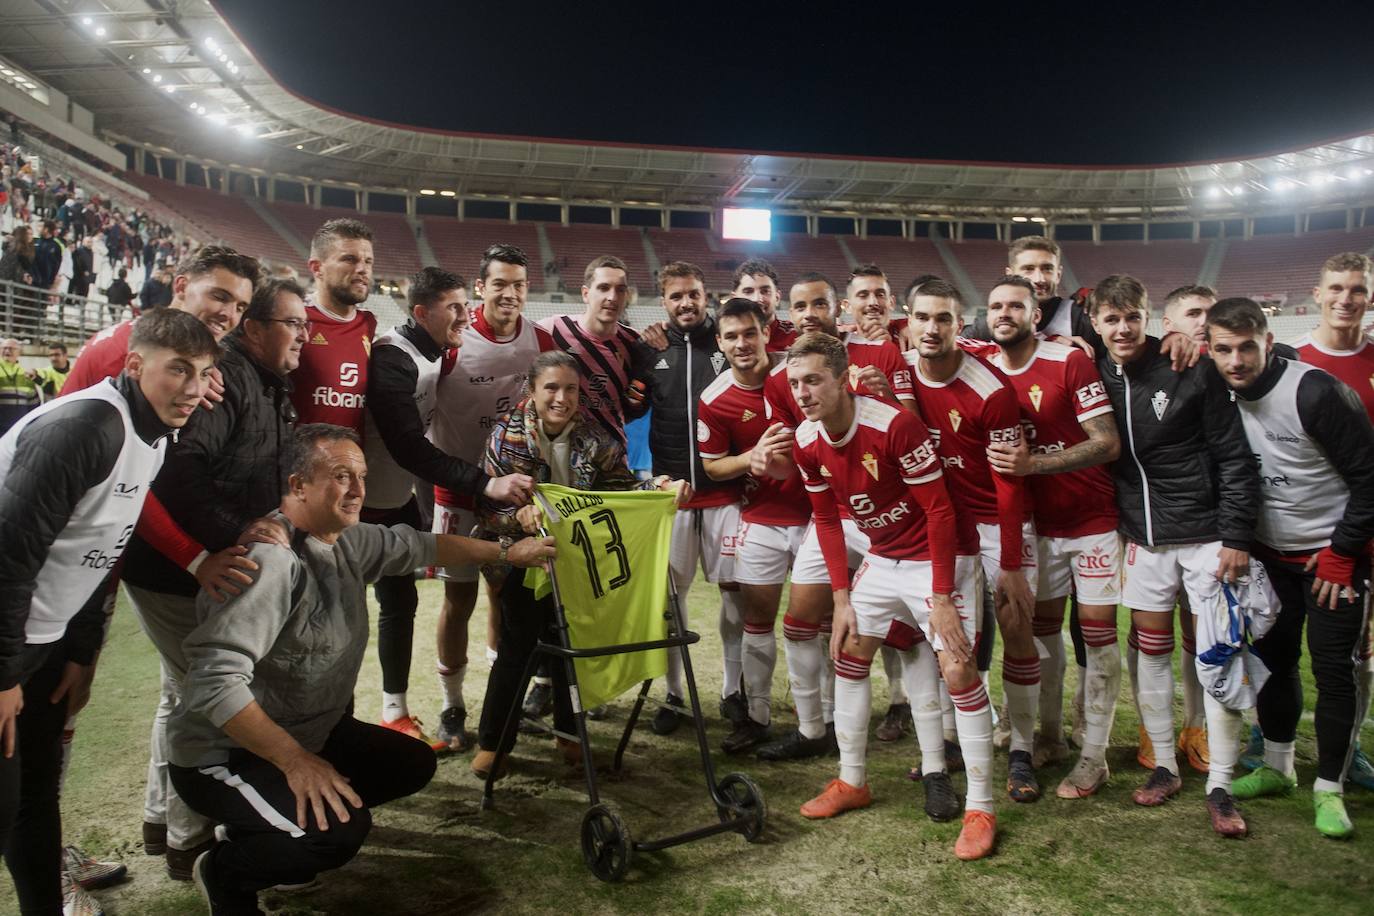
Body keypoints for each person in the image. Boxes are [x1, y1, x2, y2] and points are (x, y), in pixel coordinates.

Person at [166, 424, 555, 913]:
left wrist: (506, 552)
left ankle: (267, 823)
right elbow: (213, 680)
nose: (357, 489)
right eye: (340, 475)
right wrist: (295, 762)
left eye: (361, 476)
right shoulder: (272, 562)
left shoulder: (348, 539)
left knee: (410, 763)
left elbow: (425, 546)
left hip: (310, 733)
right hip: (223, 755)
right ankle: (225, 870)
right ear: (297, 485)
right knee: (334, 837)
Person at [0, 309, 218, 916]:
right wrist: (5, 673)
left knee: (34, 796)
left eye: (203, 373)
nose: (194, 388)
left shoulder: (152, 432)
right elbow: (9, 555)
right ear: (133, 365)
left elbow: (105, 547)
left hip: (41, 644)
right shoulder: (86, 425)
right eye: (178, 369)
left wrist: (76, 651)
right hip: (7, 643)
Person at [779, 333, 997, 860]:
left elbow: (941, 512)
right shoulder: (807, 440)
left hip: (940, 559)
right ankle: (852, 781)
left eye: (813, 380)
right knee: (849, 651)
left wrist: (942, 595)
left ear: (842, 379)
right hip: (882, 560)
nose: (803, 393)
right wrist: (841, 597)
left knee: (960, 671)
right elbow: (828, 519)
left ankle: (982, 807)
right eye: (794, 383)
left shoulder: (895, 425)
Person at [120, 278, 306, 881]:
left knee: (179, 691)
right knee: (200, 696)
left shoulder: (266, 383)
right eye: (292, 324)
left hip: (194, 562)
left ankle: (164, 824)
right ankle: (188, 842)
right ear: (253, 329)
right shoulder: (222, 384)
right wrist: (234, 534)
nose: (304, 336)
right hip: (176, 566)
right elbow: (179, 474)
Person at [1089, 275, 1259, 835]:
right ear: (1095, 323)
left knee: (1215, 657)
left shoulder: (1191, 369)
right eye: (1110, 319)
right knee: (1152, 652)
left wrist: (1235, 536)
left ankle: (1222, 784)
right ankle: (1163, 764)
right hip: (1142, 539)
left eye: (1131, 316)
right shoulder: (1091, 372)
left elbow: (1235, 458)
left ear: (1150, 320)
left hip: (1206, 536)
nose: (1122, 328)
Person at [471, 352, 685, 778]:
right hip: (522, 557)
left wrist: (658, 485)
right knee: (518, 649)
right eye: (551, 387)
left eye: (570, 389)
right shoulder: (505, 437)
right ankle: (494, 742)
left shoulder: (595, 436)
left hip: (579, 561)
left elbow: (622, 489)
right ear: (532, 390)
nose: (561, 398)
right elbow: (487, 512)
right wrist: (520, 518)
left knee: (574, 648)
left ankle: (571, 737)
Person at [1209, 297, 1374, 838]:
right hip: (1268, 560)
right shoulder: (1216, 393)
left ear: (1268, 341)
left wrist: (1344, 551)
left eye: (1247, 347)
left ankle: (1330, 786)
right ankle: (1279, 768)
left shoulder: (1316, 391)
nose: (1236, 361)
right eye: (1223, 349)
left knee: (1333, 672)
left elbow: (1370, 479)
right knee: (1275, 664)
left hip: (1331, 559)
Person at [363, 267, 533, 751]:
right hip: (391, 497)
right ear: (422, 313)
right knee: (425, 603)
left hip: (406, 497)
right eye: (454, 307)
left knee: (408, 603)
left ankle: (487, 702)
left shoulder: (443, 349)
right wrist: (485, 481)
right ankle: (446, 706)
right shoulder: (395, 358)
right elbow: (410, 449)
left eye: (464, 305)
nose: (465, 315)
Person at [756, 270, 917, 753]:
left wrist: (885, 389)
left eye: (820, 305)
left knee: (908, 624)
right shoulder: (781, 378)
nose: (810, 315)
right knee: (799, 621)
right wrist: (767, 460)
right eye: (801, 307)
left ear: (838, 309)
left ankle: (914, 710)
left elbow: (911, 427)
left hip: (890, 516)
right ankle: (813, 729)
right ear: (789, 312)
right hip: (832, 514)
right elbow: (793, 458)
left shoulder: (879, 352)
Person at [983, 276, 1124, 798]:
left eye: (1015, 305)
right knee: (1040, 635)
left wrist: (1034, 464)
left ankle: (1094, 756)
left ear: (1035, 315)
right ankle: (1049, 736)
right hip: (1032, 529)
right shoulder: (982, 367)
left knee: (1098, 637)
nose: (1004, 313)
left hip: (1090, 522)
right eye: (996, 305)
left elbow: (1106, 443)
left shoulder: (1068, 362)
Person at [901, 281, 1038, 807]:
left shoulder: (991, 389)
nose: (932, 329)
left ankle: (1021, 747)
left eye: (944, 319)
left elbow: (1009, 481)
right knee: (947, 637)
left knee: (1015, 622)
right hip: (942, 524)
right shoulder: (898, 375)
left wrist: (1009, 563)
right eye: (922, 318)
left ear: (962, 326)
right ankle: (953, 742)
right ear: (907, 322)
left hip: (995, 519)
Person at [428, 245, 541, 746]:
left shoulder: (539, 337)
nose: (510, 293)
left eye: (518, 284)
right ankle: (452, 707)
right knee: (459, 597)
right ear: (481, 287)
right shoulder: (452, 341)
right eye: (500, 283)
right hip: (455, 489)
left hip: (509, 491)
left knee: (504, 595)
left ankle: (503, 699)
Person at [635, 261, 748, 735]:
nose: (686, 303)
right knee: (671, 600)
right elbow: (631, 405)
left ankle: (733, 690)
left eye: (694, 293)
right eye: (677, 295)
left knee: (734, 596)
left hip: (725, 494)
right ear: (663, 301)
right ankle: (675, 694)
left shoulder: (725, 342)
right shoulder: (649, 350)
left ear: (707, 295)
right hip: (673, 493)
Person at [697, 298, 811, 753]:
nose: (742, 344)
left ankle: (816, 718)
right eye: (731, 336)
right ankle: (758, 715)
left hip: (813, 517)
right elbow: (712, 468)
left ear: (766, 332)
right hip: (760, 517)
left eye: (750, 333)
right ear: (720, 344)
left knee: (811, 626)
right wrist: (753, 459)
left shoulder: (797, 375)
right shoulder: (714, 399)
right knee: (757, 622)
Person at [1291, 252, 1374, 789]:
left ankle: (1350, 749)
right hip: (1289, 538)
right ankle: (1267, 742)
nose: (1346, 298)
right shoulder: (1288, 360)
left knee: (1358, 656)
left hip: (1362, 536)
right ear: (1317, 294)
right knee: (1273, 648)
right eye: (1336, 288)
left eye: (1357, 290)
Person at [65, 245, 259, 393]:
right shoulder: (132, 355)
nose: (229, 315)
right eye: (219, 297)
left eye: (240, 307)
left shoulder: (157, 341)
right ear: (181, 287)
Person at [290, 218, 377, 431]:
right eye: (349, 259)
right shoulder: (294, 319)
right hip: (297, 460)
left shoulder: (368, 323)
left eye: (368, 261)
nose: (362, 269)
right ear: (317, 267)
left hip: (350, 460)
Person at [731, 258, 797, 352]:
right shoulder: (723, 338)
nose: (757, 299)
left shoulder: (797, 337)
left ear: (777, 298)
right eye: (748, 291)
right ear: (734, 299)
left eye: (765, 291)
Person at [0, 337, 41, 435]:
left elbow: (34, 405)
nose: (7, 351)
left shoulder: (25, 374)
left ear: (19, 352)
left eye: (11, 348)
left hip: (20, 430)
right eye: (4, 348)